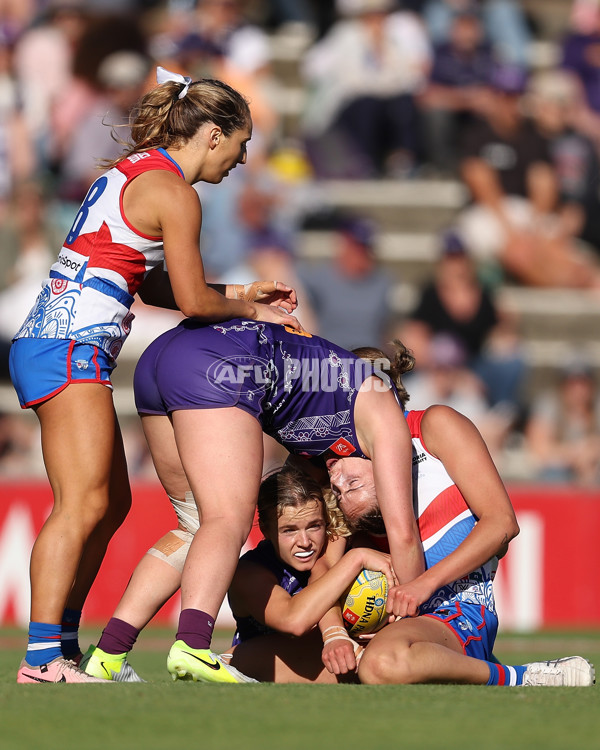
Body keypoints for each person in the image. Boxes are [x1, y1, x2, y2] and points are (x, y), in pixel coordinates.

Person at [10, 66, 301, 685]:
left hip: (58, 344)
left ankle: (60, 645)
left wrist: (242, 290)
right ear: (214, 135)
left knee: (108, 503)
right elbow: (196, 303)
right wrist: (249, 308)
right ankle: (41, 660)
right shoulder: (175, 192)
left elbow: (159, 283)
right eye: (243, 144)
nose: (243, 160)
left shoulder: (140, 173)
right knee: (82, 504)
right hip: (66, 347)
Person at [130, 316, 423, 683]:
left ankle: (110, 650)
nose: (338, 482)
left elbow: (325, 559)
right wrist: (409, 628)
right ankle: (191, 645)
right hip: (212, 358)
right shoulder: (381, 419)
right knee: (224, 521)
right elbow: (404, 536)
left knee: (193, 525)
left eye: (316, 521)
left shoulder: (321, 458)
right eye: (352, 485)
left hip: (163, 358)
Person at [319, 342, 595, 687]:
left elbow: (502, 523)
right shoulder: (341, 465)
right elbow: (324, 568)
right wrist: (335, 634)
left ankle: (523, 677)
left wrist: (423, 585)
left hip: (458, 607)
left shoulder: (435, 426)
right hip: (386, 619)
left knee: (381, 666)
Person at [81, 464, 393, 683]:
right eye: (289, 530)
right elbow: (295, 620)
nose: (305, 542)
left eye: (314, 526)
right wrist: (358, 560)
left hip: (328, 662)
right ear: (267, 531)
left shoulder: (332, 543)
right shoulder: (250, 573)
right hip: (264, 665)